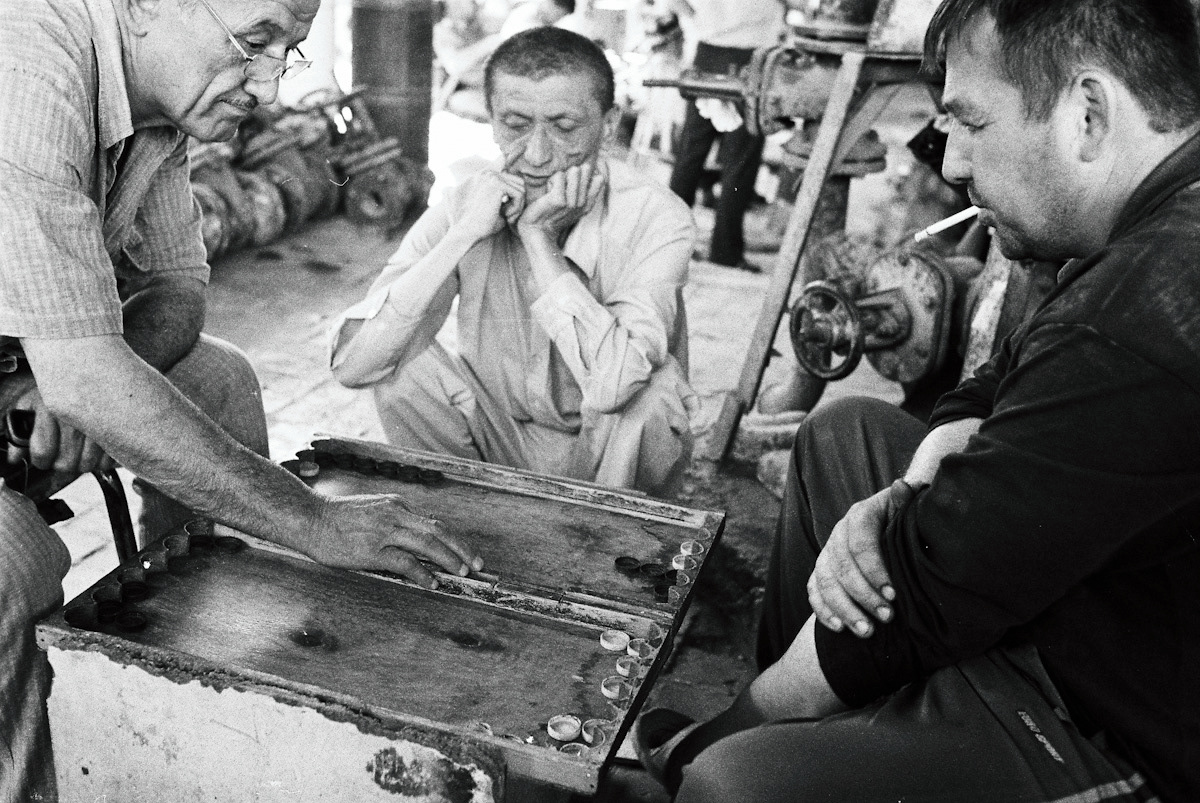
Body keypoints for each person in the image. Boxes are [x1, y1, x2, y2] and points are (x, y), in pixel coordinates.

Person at [634, 1, 1200, 801]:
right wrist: (918, 476)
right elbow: (998, 374)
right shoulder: (1140, 215)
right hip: (1082, 597)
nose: (955, 164)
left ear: (1088, 113)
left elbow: (934, 584)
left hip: (1123, 720)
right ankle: (830, 723)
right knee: (843, 434)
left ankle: (767, 732)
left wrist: (730, 726)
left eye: (970, 123)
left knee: (733, 786)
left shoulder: (1149, 308)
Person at [0, 0, 484, 798]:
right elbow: (88, 375)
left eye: (285, 52)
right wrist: (314, 519)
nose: (264, 85)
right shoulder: (25, 65)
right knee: (14, 561)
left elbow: (178, 294)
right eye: (254, 41)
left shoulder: (156, 98)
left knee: (218, 381)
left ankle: (213, 679)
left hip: (23, 368)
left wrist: (67, 385)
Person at [332, 26, 696, 495]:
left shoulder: (656, 214)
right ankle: (465, 518)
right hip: (495, 438)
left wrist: (538, 239)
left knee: (652, 396)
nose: (539, 155)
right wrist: (462, 234)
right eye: (516, 125)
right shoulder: (470, 201)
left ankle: (607, 545)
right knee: (396, 360)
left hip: (607, 453)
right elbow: (354, 367)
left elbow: (614, 388)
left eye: (565, 128)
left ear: (608, 125)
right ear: (491, 118)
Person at [667, 0, 783, 270]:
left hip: (709, 53)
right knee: (740, 162)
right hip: (750, 57)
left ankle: (667, 242)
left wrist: (697, 18)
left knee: (689, 154)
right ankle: (725, 251)